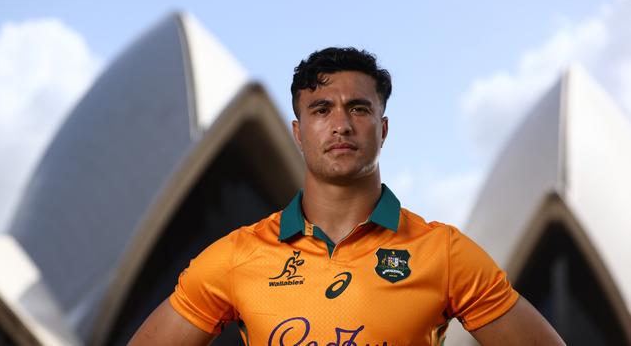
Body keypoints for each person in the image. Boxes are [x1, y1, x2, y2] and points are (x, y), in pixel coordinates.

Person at [129, 47, 565, 345]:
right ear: (298, 133)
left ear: (383, 129)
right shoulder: (237, 256)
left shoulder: (443, 253)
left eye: (358, 108)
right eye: (321, 110)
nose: (341, 124)